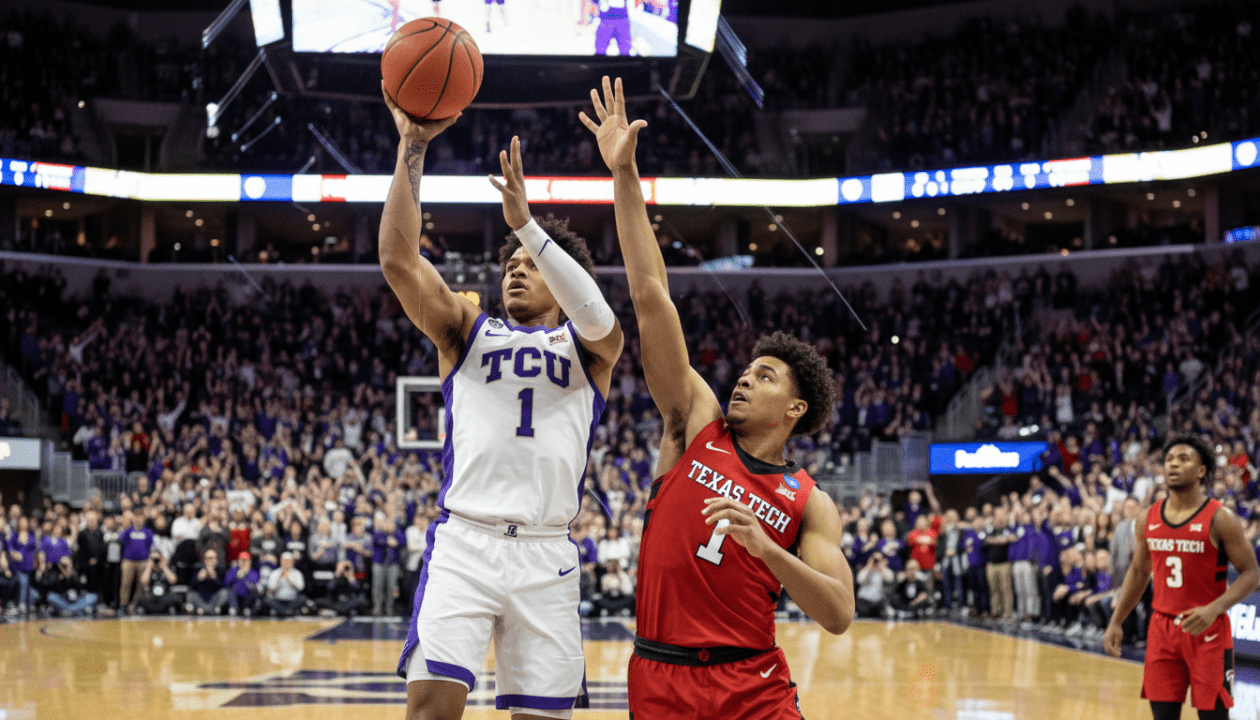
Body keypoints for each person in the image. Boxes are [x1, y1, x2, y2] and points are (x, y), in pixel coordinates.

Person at [581, 76, 853, 719]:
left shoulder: (810, 503)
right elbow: (651, 295)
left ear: (796, 411)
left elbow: (838, 613)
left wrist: (767, 549)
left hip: (751, 685)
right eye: (747, 369)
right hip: (660, 675)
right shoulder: (693, 424)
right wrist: (625, 176)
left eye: (765, 377)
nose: (742, 378)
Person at [381, 77, 623, 720]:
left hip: (548, 552)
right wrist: (412, 146)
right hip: (466, 541)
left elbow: (601, 319)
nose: (514, 267)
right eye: (509, 262)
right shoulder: (467, 329)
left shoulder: (590, 349)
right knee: (430, 711)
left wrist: (529, 227)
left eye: (530, 264)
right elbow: (398, 261)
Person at [1105, 434, 1260, 720]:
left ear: (1201, 471)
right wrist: (1116, 620)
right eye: (1169, 460)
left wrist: (1214, 609)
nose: (1173, 465)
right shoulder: (1147, 518)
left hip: (1208, 630)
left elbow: (1252, 574)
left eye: (1183, 459)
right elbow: (1139, 572)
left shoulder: (1220, 518)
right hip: (1162, 629)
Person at [263, 552, 307, 617]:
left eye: (289, 561)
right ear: (281, 561)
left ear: (293, 562)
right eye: (284, 561)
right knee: (267, 600)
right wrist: (279, 577)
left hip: (292, 599)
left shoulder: (297, 573)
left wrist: (289, 580)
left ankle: (283, 611)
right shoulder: (275, 573)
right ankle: (287, 612)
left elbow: (301, 588)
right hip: (278, 599)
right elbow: (271, 589)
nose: (286, 563)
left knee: (303, 598)